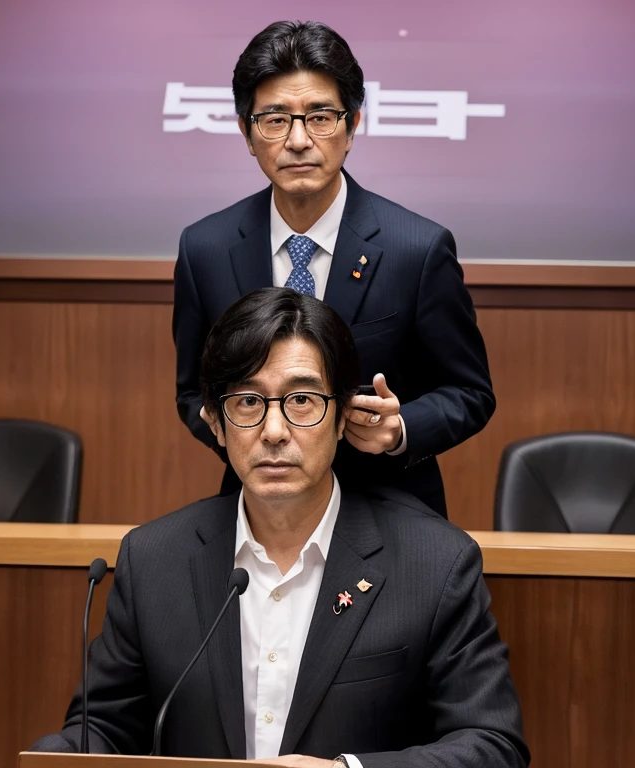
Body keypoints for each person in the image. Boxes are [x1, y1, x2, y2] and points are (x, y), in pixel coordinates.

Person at [33, 288, 528, 768]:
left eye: (302, 400)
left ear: (342, 418)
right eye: (248, 402)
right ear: (215, 423)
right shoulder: (153, 560)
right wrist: (51, 758)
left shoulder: (434, 563)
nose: (273, 432)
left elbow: (491, 745)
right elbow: (103, 731)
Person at [173, 20, 496, 518]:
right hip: (258, 513)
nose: (299, 140)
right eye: (275, 120)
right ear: (246, 131)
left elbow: (471, 392)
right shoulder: (205, 249)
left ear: (352, 125)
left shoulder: (417, 248)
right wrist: (249, 437)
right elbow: (193, 393)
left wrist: (400, 429)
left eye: (320, 117)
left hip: (389, 511)